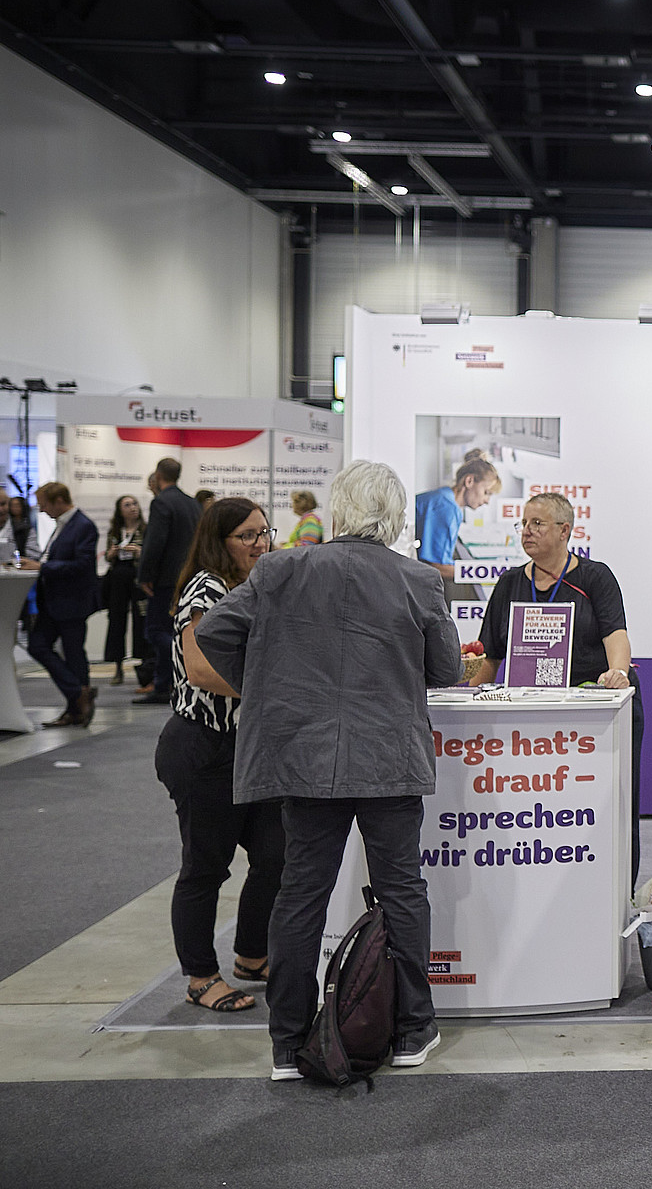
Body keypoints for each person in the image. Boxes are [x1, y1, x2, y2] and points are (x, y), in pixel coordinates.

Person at [194, 460, 461, 1081]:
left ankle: (289, 1044)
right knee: (402, 891)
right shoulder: (418, 579)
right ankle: (413, 1029)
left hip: (304, 758)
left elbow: (213, 633)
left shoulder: (279, 569)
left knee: (300, 895)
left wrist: (267, 686)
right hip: (389, 758)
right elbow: (446, 669)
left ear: (340, 509)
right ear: (394, 517)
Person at [465, 492, 642, 884]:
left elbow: (616, 635)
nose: (526, 532)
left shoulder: (595, 577)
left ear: (565, 531)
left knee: (608, 807)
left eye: (537, 524)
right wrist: (465, 697)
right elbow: (490, 656)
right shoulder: (510, 583)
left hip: (593, 717)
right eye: (523, 524)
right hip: (533, 719)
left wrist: (618, 672)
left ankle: (615, 892)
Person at [159, 497, 284, 1014]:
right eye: (247, 535)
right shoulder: (206, 588)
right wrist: (276, 689)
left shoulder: (257, 584)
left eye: (264, 532)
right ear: (220, 541)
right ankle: (200, 976)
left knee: (275, 854)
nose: (261, 543)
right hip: (203, 746)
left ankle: (252, 955)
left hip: (249, 747)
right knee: (206, 867)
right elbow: (200, 670)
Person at [24, 483, 99, 727]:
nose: (41, 510)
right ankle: (79, 694)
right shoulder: (63, 525)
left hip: (71, 601)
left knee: (73, 652)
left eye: (44, 504)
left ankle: (76, 706)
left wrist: (42, 567)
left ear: (58, 501)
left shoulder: (83, 526)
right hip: (54, 601)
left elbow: (83, 565)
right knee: (39, 645)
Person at [135, 458, 202, 705]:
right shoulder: (192, 503)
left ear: (158, 475)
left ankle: (168, 678)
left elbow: (155, 542)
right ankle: (169, 682)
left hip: (165, 579)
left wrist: (145, 576)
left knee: (156, 631)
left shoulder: (161, 502)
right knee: (176, 627)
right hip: (189, 576)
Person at [415, 448, 500, 586]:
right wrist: (487, 574)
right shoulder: (446, 507)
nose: (487, 501)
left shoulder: (446, 499)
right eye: (486, 492)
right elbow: (436, 567)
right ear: (469, 481)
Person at [101, 493, 153, 687]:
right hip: (118, 576)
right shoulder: (115, 531)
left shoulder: (146, 529)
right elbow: (107, 556)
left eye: (134, 504)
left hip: (138, 576)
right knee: (116, 620)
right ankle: (117, 666)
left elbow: (151, 553)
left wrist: (139, 552)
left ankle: (144, 667)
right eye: (127, 505)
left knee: (141, 619)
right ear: (120, 511)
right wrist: (112, 553)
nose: (132, 508)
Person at [4, 494, 37, 561]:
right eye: (12, 506)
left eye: (17, 505)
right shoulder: (5, 524)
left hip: (23, 560)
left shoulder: (28, 527)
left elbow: (33, 551)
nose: (15, 508)